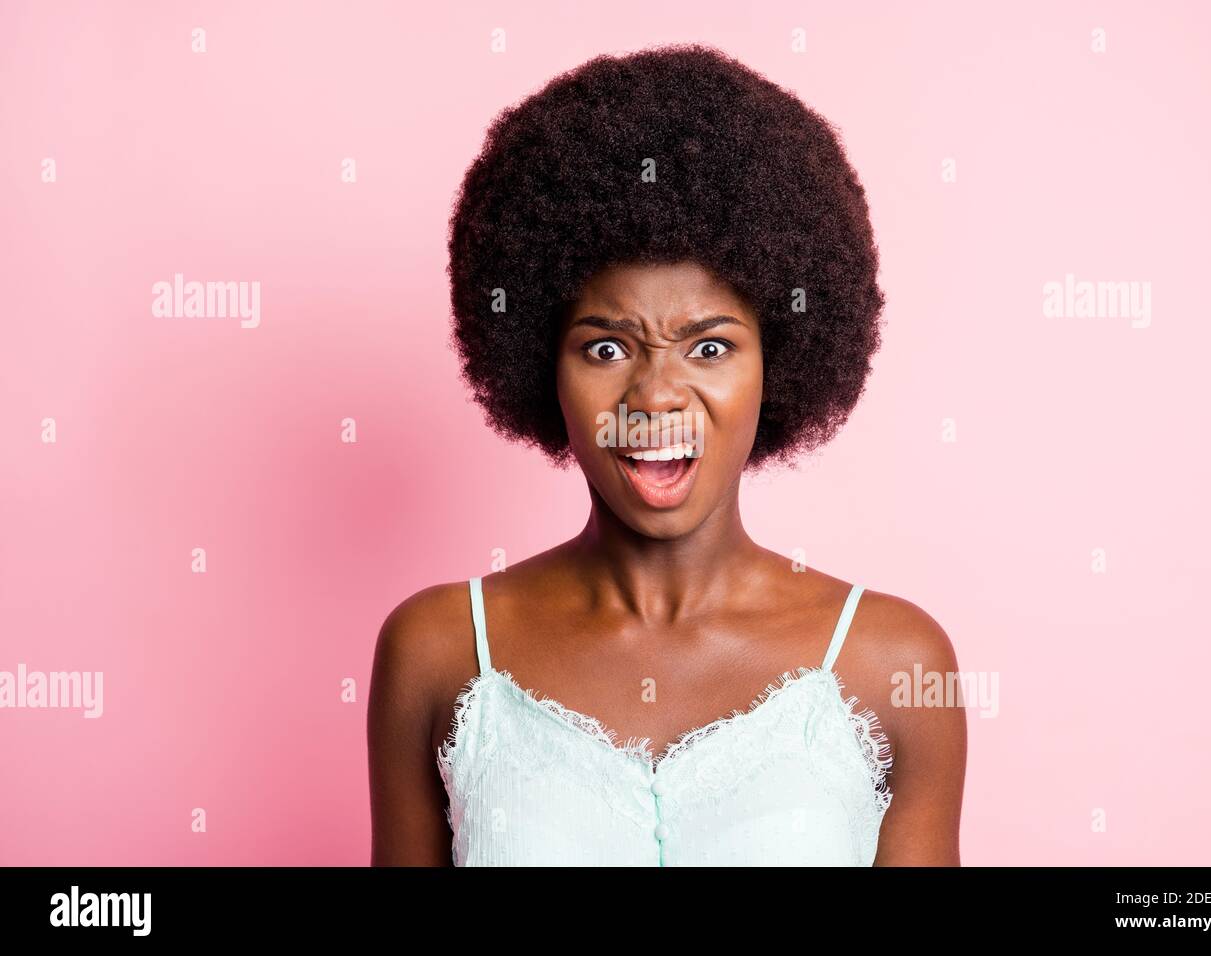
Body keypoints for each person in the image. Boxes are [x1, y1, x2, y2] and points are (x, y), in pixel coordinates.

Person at [368, 42, 965, 866]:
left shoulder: (894, 661)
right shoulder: (437, 649)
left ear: (780, 364)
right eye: (607, 349)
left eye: (710, 349)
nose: (655, 396)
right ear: (540, 365)